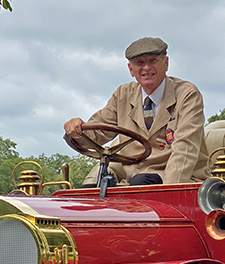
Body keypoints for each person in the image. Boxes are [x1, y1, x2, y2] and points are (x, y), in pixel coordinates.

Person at [63, 37, 208, 186]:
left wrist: (167, 193)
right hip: (136, 180)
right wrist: (77, 130)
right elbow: (97, 132)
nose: (146, 68)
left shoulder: (187, 95)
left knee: (142, 181)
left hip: (181, 181)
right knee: (89, 191)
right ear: (131, 70)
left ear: (166, 64)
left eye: (152, 61)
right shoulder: (123, 95)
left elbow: (184, 151)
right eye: (140, 63)